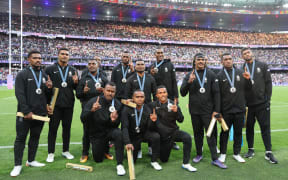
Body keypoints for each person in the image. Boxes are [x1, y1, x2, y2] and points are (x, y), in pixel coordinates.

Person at [180, 53, 227, 169]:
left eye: (202, 60)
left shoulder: (211, 74)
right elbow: (182, 92)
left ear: (205, 62)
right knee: (197, 134)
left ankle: (215, 159)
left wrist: (216, 110)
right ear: (194, 61)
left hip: (208, 112)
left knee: (211, 134)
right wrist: (188, 82)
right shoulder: (189, 75)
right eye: (198, 60)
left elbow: (216, 93)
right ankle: (199, 154)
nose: (200, 61)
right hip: (194, 111)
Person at [10, 50, 53, 177]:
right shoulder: (22, 74)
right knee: (21, 139)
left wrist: (49, 88)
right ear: (29, 59)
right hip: (25, 114)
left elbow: (46, 95)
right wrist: (26, 111)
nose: (38, 60)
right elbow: (20, 94)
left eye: (40, 58)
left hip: (40, 114)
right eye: (35, 58)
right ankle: (17, 165)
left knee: (35, 137)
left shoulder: (45, 75)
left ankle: (31, 160)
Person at [241, 48, 278, 164]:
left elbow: (268, 83)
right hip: (249, 106)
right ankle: (250, 150)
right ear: (242, 57)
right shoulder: (241, 69)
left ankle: (268, 152)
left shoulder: (262, 65)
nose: (247, 54)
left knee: (265, 128)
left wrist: (268, 99)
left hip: (262, 104)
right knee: (249, 128)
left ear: (252, 53)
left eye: (248, 52)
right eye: (244, 54)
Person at [81, 82, 126, 176]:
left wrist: (113, 120)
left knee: (118, 133)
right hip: (96, 133)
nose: (110, 93)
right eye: (108, 90)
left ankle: (120, 164)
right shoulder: (93, 101)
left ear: (115, 92)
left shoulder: (117, 104)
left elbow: (117, 124)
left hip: (110, 131)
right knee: (98, 159)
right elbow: (83, 118)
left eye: (112, 91)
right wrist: (92, 111)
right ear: (103, 91)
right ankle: (103, 149)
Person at [149, 86, 197, 172]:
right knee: (164, 160)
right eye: (160, 93)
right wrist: (153, 120)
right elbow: (149, 126)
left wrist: (176, 111)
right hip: (162, 136)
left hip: (173, 132)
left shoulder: (173, 104)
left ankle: (186, 163)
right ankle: (158, 150)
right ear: (156, 95)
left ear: (167, 93)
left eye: (164, 92)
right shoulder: (152, 105)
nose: (163, 94)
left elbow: (181, 120)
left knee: (187, 137)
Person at [45, 47, 78, 162]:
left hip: (69, 104)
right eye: (62, 54)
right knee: (53, 129)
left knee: (67, 129)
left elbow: (75, 88)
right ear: (58, 55)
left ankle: (66, 151)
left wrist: (76, 83)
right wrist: (47, 102)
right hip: (55, 105)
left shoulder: (73, 70)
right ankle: (50, 153)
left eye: (66, 54)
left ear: (69, 57)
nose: (64, 56)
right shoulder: (49, 69)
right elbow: (45, 88)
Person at [217, 53, 251, 163]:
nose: (228, 61)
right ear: (222, 62)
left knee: (238, 133)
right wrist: (218, 111)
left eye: (230, 59)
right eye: (225, 59)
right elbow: (217, 95)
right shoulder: (219, 75)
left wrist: (248, 80)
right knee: (224, 133)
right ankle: (223, 153)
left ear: (233, 60)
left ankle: (236, 153)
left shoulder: (241, 73)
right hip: (226, 111)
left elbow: (249, 89)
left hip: (239, 110)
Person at [76, 59, 108, 163]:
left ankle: (105, 151)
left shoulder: (103, 78)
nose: (91, 65)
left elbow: (109, 93)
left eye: (93, 64)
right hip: (88, 109)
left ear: (97, 65)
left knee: (104, 130)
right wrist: (83, 92)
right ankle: (85, 153)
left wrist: (103, 91)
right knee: (86, 131)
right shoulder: (84, 78)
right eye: (89, 64)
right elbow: (78, 95)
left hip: (101, 108)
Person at [122, 90, 162, 170]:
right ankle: (135, 151)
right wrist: (127, 142)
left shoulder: (147, 109)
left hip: (144, 133)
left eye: (142, 97)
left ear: (144, 98)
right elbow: (124, 127)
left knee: (156, 136)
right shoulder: (127, 109)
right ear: (133, 98)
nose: (140, 99)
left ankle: (154, 161)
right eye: (137, 97)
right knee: (133, 160)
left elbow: (150, 128)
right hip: (133, 135)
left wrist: (153, 121)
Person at [149, 48, 180, 150]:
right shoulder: (151, 67)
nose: (160, 54)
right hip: (157, 98)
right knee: (158, 119)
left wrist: (176, 96)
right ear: (155, 54)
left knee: (171, 118)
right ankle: (159, 139)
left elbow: (174, 80)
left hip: (169, 97)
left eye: (161, 52)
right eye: (158, 52)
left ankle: (173, 140)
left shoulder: (169, 65)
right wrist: (150, 73)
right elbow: (149, 82)